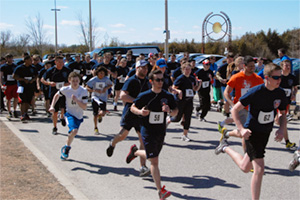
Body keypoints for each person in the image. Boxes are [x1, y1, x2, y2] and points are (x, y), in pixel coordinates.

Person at [215, 63, 288, 200]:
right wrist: (241, 129)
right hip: (252, 132)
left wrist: (281, 129)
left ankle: (224, 147)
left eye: (280, 77)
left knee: (245, 167)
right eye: (276, 77)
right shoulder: (256, 92)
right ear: (266, 78)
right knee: (259, 169)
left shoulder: (280, 93)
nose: (279, 80)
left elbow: (283, 113)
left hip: (265, 133)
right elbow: (235, 110)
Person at [126, 69, 178, 200]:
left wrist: (170, 111)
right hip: (147, 130)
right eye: (158, 80)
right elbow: (132, 107)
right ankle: (160, 191)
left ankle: (135, 152)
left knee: (152, 156)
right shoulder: (145, 95)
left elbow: (176, 111)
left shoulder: (168, 96)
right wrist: (140, 112)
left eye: (162, 80)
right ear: (151, 81)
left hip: (160, 131)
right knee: (154, 160)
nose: (161, 82)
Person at [106, 60, 151, 177]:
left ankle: (142, 167)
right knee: (122, 136)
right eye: (143, 68)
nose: (145, 70)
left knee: (143, 140)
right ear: (137, 68)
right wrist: (136, 101)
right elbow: (122, 96)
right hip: (130, 113)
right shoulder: (131, 80)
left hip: (142, 114)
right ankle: (112, 143)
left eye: (146, 68)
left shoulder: (148, 82)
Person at [218, 56, 264, 152]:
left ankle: (227, 133)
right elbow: (226, 93)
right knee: (246, 134)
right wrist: (231, 104)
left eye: (253, 66)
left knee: (243, 133)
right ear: (244, 66)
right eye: (250, 66)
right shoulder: (237, 77)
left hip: (252, 109)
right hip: (240, 108)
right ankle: (247, 157)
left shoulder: (258, 79)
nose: (252, 68)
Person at [49, 72, 88, 160]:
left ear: (79, 81)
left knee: (73, 133)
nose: (75, 83)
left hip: (79, 115)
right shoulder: (65, 89)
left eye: (77, 81)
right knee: (74, 131)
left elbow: (84, 107)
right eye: (73, 81)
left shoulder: (83, 91)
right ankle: (67, 149)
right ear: (69, 81)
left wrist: (77, 100)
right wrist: (52, 106)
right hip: (69, 113)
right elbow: (56, 95)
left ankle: (66, 147)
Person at [168, 62, 201, 141]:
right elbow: (173, 88)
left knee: (187, 118)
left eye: (189, 69)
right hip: (180, 100)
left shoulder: (192, 78)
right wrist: (178, 91)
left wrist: (199, 84)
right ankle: (168, 119)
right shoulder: (180, 78)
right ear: (183, 70)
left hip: (189, 100)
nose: (188, 71)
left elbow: (195, 89)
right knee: (177, 118)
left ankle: (185, 135)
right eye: (186, 69)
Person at [41, 55, 71, 135]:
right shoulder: (51, 70)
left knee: (64, 108)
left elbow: (72, 79)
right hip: (54, 92)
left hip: (65, 92)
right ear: (55, 62)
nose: (61, 64)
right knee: (55, 111)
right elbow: (42, 79)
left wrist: (68, 83)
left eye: (62, 62)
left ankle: (62, 117)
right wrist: (49, 83)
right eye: (59, 62)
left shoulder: (67, 70)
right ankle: (55, 127)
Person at [276, 59, 298, 150]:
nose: (288, 67)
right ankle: (286, 140)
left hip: (286, 102)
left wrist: (293, 94)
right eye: (286, 66)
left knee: (282, 121)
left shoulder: (292, 77)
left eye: (289, 66)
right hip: (277, 101)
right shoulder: (278, 77)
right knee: (281, 121)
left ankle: (286, 140)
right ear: (282, 67)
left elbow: (295, 88)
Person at [86, 66, 112, 135]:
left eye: (103, 73)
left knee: (103, 113)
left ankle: (100, 116)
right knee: (95, 114)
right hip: (95, 97)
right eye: (100, 73)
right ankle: (95, 127)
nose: (101, 74)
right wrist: (94, 90)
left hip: (103, 98)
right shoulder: (94, 79)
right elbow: (87, 87)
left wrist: (106, 88)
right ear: (97, 73)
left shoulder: (106, 79)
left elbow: (110, 84)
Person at [13, 55, 38, 121]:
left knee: (28, 101)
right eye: (30, 60)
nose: (31, 61)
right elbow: (14, 76)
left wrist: (33, 80)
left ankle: (26, 113)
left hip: (30, 86)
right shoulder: (19, 68)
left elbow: (36, 76)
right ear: (26, 60)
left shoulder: (33, 68)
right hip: (22, 86)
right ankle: (22, 114)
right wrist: (23, 79)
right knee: (22, 101)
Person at [0, 54, 19, 119]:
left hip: (15, 84)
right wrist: (1, 85)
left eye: (11, 58)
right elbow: (1, 77)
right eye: (9, 58)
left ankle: (15, 110)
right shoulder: (3, 66)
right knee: (8, 98)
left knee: (16, 97)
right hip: (7, 84)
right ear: (6, 59)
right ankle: (9, 111)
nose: (10, 59)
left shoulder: (15, 66)